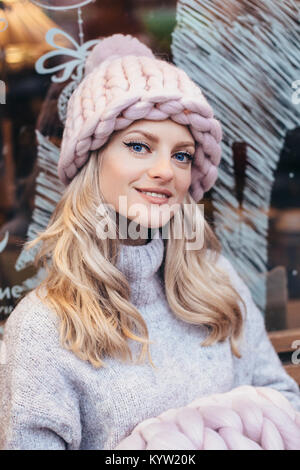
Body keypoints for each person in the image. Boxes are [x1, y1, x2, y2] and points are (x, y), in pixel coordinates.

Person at [0, 33, 299, 451]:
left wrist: (217, 433)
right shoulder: (43, 327)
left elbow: (285, 403)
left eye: (181, 155)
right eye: (139, 146)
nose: (166, 171)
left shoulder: (219, 283)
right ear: (92, 160)